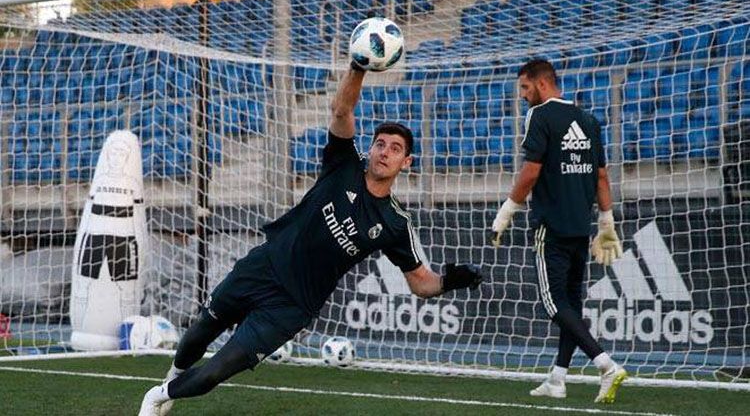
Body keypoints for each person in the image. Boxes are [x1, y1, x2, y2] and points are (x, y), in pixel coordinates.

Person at [138, 62, 483, 415]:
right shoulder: (343, 164)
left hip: (292, 307)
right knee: (199, 333)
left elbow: (421, 283)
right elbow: (341, 110)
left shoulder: (395, 223)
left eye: (395, 148)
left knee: (215, 374)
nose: (384, 151)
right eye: (380, 143)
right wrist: (358, 66)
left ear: (405, 162)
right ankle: (174, 376)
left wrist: (451, 281)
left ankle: (157, 396)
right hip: (263, 267)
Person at [490, 58, 626, 403]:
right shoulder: (589, 120)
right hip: (580, 229)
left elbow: (531, 171)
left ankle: (606, 365)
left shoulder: (540, 116)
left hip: (550, 228)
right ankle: (558, 379)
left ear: (541, 83)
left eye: (524, 87)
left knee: (554, 305)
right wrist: (606, 222)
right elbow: (601, 176)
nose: (522, 95)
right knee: (571, 306)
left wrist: (507, 211)